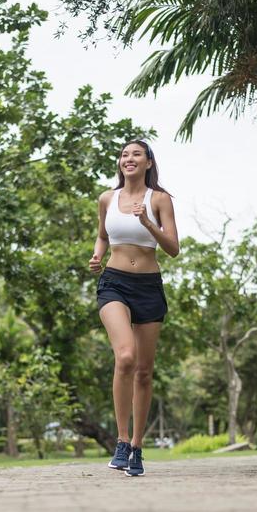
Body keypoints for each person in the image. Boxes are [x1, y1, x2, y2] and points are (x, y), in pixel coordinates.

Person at [89, 138, 179, 477]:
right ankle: (122, 440)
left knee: (143, 370)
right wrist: (97, 255)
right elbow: (102, 235)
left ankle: (138, 447)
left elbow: (172, 248)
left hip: (148, 287)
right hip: (113, 283)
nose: (129, 159)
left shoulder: (159, 199)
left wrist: (147, 223)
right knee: (125, 356)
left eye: (136, 154)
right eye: (124, 155)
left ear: (148, 163)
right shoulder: (107, 199)